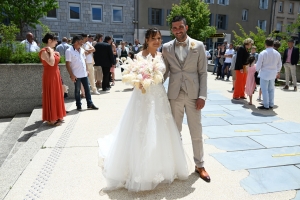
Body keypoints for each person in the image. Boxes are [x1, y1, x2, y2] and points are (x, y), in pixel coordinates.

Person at [98, 28, 189, 192]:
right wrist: (138, 82)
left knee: (162, 130)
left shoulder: (162, 56)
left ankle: (162, 165)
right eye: (154, 38)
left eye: (159, 38)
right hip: (143, 96)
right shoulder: (139, 56)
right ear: (147, 40)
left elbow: (165, 74)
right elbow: (133, 77)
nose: (157, 41)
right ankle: (141, 170)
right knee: (143, 130)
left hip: (159, 96)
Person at [162, 15, 210, 182]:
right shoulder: (166, 47)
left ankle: (200, 165)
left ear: (186, 27)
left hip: (193, 95)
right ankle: (177, 165)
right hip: (174, 95)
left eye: (180, 27)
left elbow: (203, 73)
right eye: (174, 28)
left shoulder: (199, 45)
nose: (177, 31)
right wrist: (151, 83)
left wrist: (202, 95)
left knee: (196, 131)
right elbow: (165, 71)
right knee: (175, 132)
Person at [39, 33, 66, 126]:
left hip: (55, 74)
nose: (57, 42)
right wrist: (51, 52)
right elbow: (51, 63)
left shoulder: (51, 50)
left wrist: (54, 53)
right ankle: (51, 118)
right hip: (49, 76)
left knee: (57, 95)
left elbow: (56, 63)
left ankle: (58, 115)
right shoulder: (44, 51)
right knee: (51, 95)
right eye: (55, 40)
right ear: (49, 40)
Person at [65, 35, 99, 110]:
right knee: (77, 90)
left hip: (84, 73)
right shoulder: (69, 51)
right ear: (76, 41)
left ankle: (90, 104)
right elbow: (67, 64)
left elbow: (84, 61)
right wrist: (71, 75)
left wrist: (87, 70)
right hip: (76, 75)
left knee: (87, 89)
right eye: (81, 42)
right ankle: (78, 105)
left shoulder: (82, 50)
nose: (82, 43)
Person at [256, 38, 282, 110]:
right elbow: (279, 64)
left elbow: (258, 64)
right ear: (273, 44)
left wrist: (257, 70)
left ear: (265, 44)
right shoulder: (277, 53)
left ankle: (266, 105)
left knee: (264, 89)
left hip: (264, 73)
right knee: (271, 89)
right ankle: (271, 104)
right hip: (273, 73)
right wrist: (278, 71)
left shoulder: (263, 53)